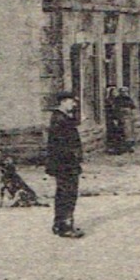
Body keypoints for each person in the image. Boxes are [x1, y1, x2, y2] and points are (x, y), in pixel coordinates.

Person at [45, 91, 84, 238]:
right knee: (68, 194)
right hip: (66, 163)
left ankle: (59, 224)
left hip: (64, 163)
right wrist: (73, 158)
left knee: (63, 193)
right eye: (71, 101)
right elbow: (62, 144)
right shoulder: (60, 119)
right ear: (63, 102)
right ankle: (66, 227)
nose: (74, 104)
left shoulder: (61, 118)